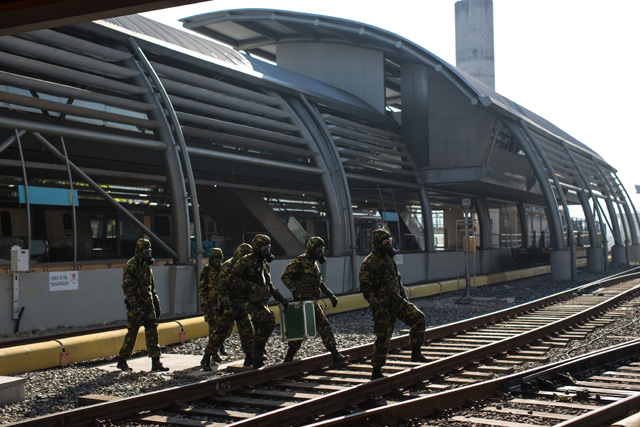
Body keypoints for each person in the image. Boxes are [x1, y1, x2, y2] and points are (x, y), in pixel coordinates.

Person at [359, 229, 428, 380]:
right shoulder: (368, 263)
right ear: (377, 244)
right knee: (383, 337)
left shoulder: (390, 259)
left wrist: (403, 295)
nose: (388, 246)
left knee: (418, 318)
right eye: (385, 243)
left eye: (389, 242)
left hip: (397, 301)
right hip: (383, 307)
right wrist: (376, 306)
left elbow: (397, 278)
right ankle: (376, 370)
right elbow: (366, 289)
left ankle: (416, 353)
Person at [281, 236, 349, 365]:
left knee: (302, 330)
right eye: (318, 249)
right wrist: (295, 291)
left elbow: (320, 283)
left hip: (311, 302)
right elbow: (285, 276)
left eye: (321, 249)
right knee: (323, 327)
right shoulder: (300, 261)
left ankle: (288, 359)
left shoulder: (314, 264)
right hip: (303, 301)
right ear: (311, 249)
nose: (320, 252)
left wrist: (331, 296)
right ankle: (335, 355)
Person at [230, 234, 288, 369]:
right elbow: (233, 279)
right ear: (257, 248)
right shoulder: (245, 261)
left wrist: (282, 299)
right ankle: (257, 351)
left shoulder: (263, 264)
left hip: (260, 300)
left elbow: (269, 285)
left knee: (258, 328)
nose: (266, 250)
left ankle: (254, 359)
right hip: (247, 300)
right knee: (269, 319)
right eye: (264, 247)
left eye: (268, 247)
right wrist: (250, 286)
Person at [116, 238, 169, 372]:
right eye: (145, 252)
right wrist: (134, 305)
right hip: (137, 306)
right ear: (139, 251)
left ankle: (155, 361)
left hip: (148, 304)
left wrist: (156, 304)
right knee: (132, 333)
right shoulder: (130, 266)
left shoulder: (146, 267)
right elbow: (128, 289)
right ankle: (122, 359)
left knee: (152, 332)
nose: (148, 254)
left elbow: (152, 287)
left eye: (149, 251)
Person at [203, 243, 255, 369]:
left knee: (247, 330)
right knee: (221, 331)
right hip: (229, 304)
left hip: (240, 303)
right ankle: (207, 357)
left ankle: (249, 357)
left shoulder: (246, 266)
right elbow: (221, 287)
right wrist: (226, 305)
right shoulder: (228, 266)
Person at [198, 247, 224, 371]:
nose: (218, 262)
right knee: (213, 328)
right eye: (216, 259)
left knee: (221, 327)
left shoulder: (223, 270)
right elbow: (202, 289)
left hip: (221, 303)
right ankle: (213, 353)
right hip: (211, 304)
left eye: (220, 259)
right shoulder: (206, 270)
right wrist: (204, 305)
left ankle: (218, 349)